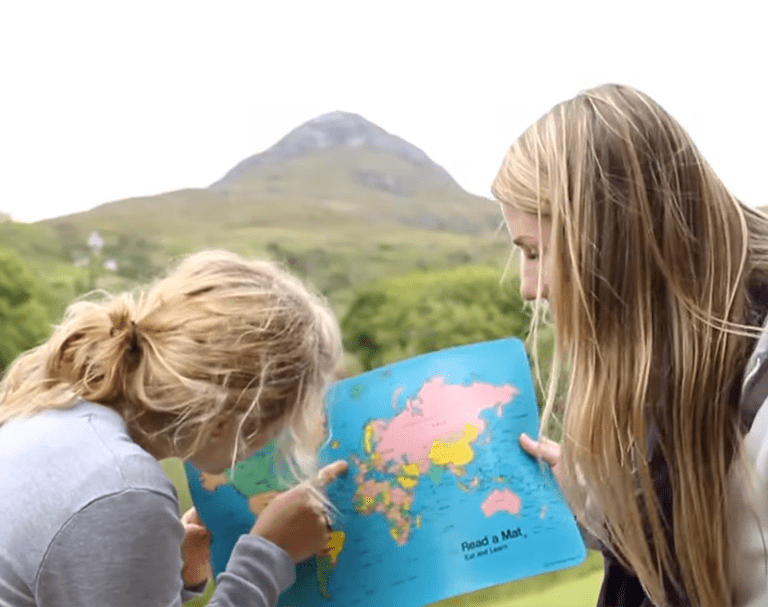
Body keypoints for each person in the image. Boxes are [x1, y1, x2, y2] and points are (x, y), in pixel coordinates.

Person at [492, 84, 768, 607]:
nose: (529, 288)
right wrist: (598, 505)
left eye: (536, 252)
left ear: (613, 245)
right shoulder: (684, 380)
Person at [0, 249, 348, 606]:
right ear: (224, 423)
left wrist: (170, 574)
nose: (268, 442)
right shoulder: (124, 489)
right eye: (276, 426)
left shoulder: (59, 409)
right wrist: (267, 556)